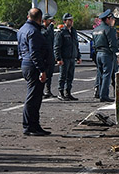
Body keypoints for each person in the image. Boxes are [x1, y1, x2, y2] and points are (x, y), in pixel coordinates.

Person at [17, 8, 51, 136]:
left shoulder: (22, 29)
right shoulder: (34, 31)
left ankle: (35, 126)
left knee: (35, 97)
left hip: (26, 63)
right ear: (39, 19)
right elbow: (35, 53)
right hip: (33, 65)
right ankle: (29, 126)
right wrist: (41, 70)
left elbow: (20, 49)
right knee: (33, 98)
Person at [93, 9, 119, 102]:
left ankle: (100, 93)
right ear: (108, 19)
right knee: (107, 75)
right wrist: (115, 56)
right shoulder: (109, 29)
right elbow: (113, 44)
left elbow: (94, 44)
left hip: (98, 54)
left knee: (100, 74)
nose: (113, 21)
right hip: (107, 54)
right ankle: (104, 95)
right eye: (112, 19)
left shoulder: (96, 30)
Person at [54, 13, 81, 101]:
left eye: (72, 20)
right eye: (69, 20)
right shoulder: (61, 32)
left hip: (72, 57)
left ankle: (68, 92)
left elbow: (76, 45)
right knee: (63, 76)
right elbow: (57, 46)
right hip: (64, 58)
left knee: (70, 76)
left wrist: (78, 56)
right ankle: (60, 92)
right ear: (65, 21)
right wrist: (58, 58)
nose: (71, 22)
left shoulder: (73, 31)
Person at [41, 14, 56, 98]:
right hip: (44, 55)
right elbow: (45, 35)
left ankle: (48, 90)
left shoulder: (50, 29)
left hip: (50, 54)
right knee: (44, 73)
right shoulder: (41, 29)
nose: (51, 21)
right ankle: (41, 91)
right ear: (44, 20)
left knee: (50, 74)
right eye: (49, 20)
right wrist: (51, 27)